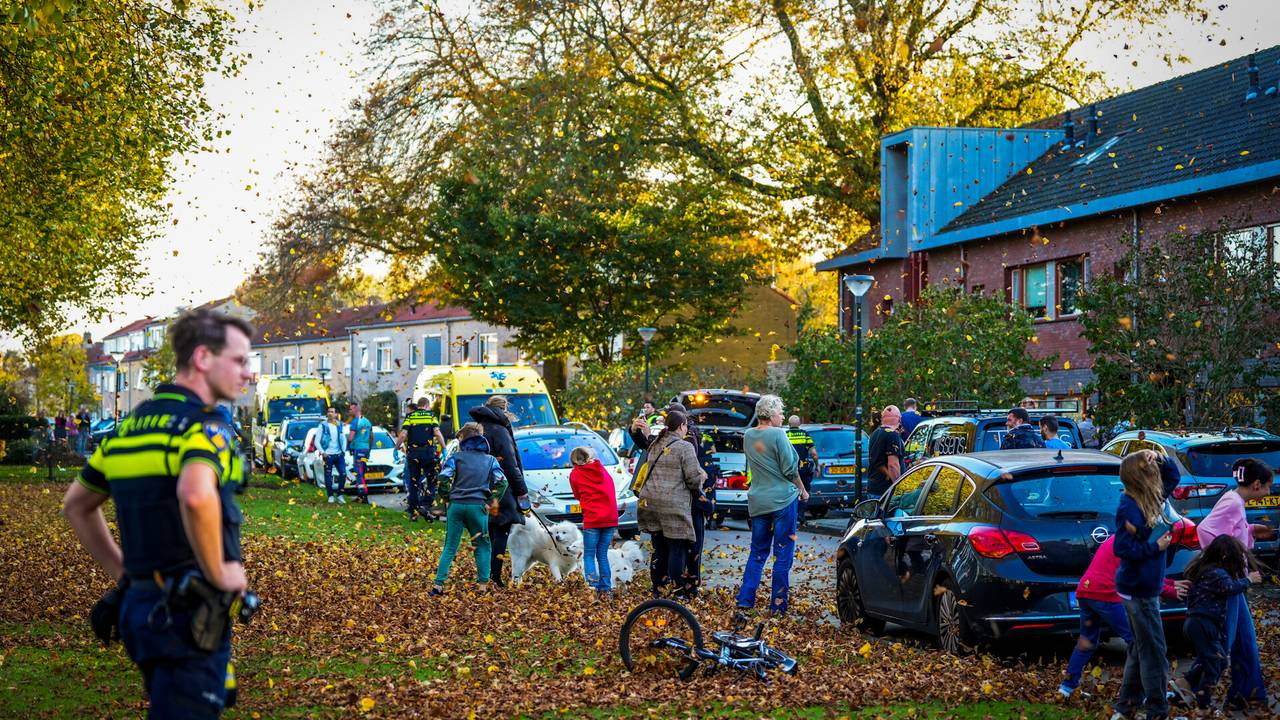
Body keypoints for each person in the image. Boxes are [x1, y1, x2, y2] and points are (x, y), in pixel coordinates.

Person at [62, 309, 254, 718]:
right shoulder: (204, 427)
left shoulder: (129, 429)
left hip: (142, 607)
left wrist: (126, 576)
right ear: (203, 358)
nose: (248, 373)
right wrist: (219, 573)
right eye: (239, 360)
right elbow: (195, 495)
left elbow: (77, 505)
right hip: (188, 612)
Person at [1059, 535, 1187, 698]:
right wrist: (1170, 591)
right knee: (1140, 642)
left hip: (1087, 591)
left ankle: (1067, 688)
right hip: (1107, 593)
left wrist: (1170, 584)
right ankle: (1149, 693)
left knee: (1087, 642)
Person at [1193, 457, 1275, 710]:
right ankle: (1191, 684)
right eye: (1268, 486)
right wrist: (1224, 566)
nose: (1269, 492)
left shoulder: (1235, 501)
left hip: (1234, 581)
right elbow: (1205, 530)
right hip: (1231, 582)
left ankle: (1248, 693)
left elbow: (1230, 533)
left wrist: (1249, 530)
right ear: (1256, 484)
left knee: (1244, 641)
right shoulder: (1232, 502)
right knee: (1226, 642)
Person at [1111, 450, 1178, 720]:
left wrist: (1159, 456)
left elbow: (1173, 476)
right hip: (1138, 590)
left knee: (1141, 650)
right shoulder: (1130, 506)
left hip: (1145, 586)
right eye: (1150, 467)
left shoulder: (1151, 497)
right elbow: (1122, 548)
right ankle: (1157, 710)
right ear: (1141, 476)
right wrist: (1155, 547)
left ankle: (1126, 707)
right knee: (1154, 651)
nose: (1155, 472)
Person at [1170, 534, 1262, 709]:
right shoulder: (1217, 573)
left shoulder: (1207, 570)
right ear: (1226, 555)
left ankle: (1186, 682)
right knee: (1215, 663)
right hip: (1203, 624)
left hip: (1198, 623)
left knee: (1216, 660)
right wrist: (1248, 579)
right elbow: (1230, 588)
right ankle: (1204, 703)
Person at [735, 395, 807, 615]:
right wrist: (803, 490)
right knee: (783, 554)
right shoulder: (778, 434)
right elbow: (790, 469)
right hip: (782, 500)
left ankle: (745, 599)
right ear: (772, 413)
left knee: (757, 553)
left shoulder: (748, 435)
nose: (782, 417)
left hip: (758, 501)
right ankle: (778, 605)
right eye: (781, 413)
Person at [430, 423, 507, 595]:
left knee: (450, 546)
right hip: (478, 507)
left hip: (456, 506)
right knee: (482, 545)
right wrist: (491, 502)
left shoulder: (456, 458)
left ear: (464, 439)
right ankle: (482, 585)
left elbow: (443, 478)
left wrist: (447, 496)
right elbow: (502, 482)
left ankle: (438, 585)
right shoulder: (490, 460)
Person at [636, 410, 705, 599]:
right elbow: (693, 479)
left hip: (650, 502)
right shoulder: (685, 447)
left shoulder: (656, 443)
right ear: (681, 426)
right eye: (686, 426)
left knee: (659, 547)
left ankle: (658, 588)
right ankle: (676, 590)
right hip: (673, 504)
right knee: (677, 547)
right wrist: (702, 477)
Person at [468, 396, 529, 587]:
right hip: (501, 488)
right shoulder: (500, 430)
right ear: (504, 410)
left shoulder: (478, 428)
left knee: (488, 532)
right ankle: (494, 576)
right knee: (501, 531)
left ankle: (485, 574)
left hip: (479, 486)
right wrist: (522, 491)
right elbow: (510, 464)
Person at [569, 446, 618, 596]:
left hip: (593, 518)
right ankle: (606, 588)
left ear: (574, 461)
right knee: (602, 554)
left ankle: (592, 588)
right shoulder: (601, 469)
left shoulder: (575, 474)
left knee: (589, 554)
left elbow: (577, 495)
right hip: (610, 518)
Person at [398, 398, 445, 521]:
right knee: (432, 479)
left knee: (414, 481)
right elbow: (437, 433)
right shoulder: (431, 416)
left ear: (418, 405)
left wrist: (396, 447)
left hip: (413, 453)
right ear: (427, 405)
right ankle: (425, 505)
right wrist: (444, 447)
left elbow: (403, 434)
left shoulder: (410, 416)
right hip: (428, 453)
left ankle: (413, 511)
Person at [865, 405, 904, 498]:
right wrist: (898, 487)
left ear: (883, 418)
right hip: (886, 491)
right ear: (899, 418)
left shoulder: (875, 433)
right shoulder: (892, 434)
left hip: (874, 488)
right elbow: (893, 465)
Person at [785, 416, 818, 524]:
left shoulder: (785, 435)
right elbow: (814, 454)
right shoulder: (804, 434)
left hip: (789, 468)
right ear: (799, 424)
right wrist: (817, 465)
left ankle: (792, 515)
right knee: (804, 490)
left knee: (790, 491)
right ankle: (801, 514)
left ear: (789, 424)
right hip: (803, 467)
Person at [318, 406, 349, 504]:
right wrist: (323, 452)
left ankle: (340, 495)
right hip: (328, 455)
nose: (330, 413)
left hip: (339, 454)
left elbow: (343, 438)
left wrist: (343, 451)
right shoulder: (323, 425)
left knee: (343, 474)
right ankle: (330, 496)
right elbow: (316, 441)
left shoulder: (339, 425)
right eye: (329, 412)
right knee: (328, 475)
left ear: (336, 414)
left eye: (332, 412)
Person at [346, 402, 374, 503]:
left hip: (358, 449)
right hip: (366, 449)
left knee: (359, 472)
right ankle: (360, 495)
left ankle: (363, 496)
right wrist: (369, 449)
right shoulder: (367, 421)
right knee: (363, 471)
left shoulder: (355, 422)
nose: (350, 411)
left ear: (356, 409)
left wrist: (348, 444)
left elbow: (350, 437)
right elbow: (371, 437)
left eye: (351, 409)